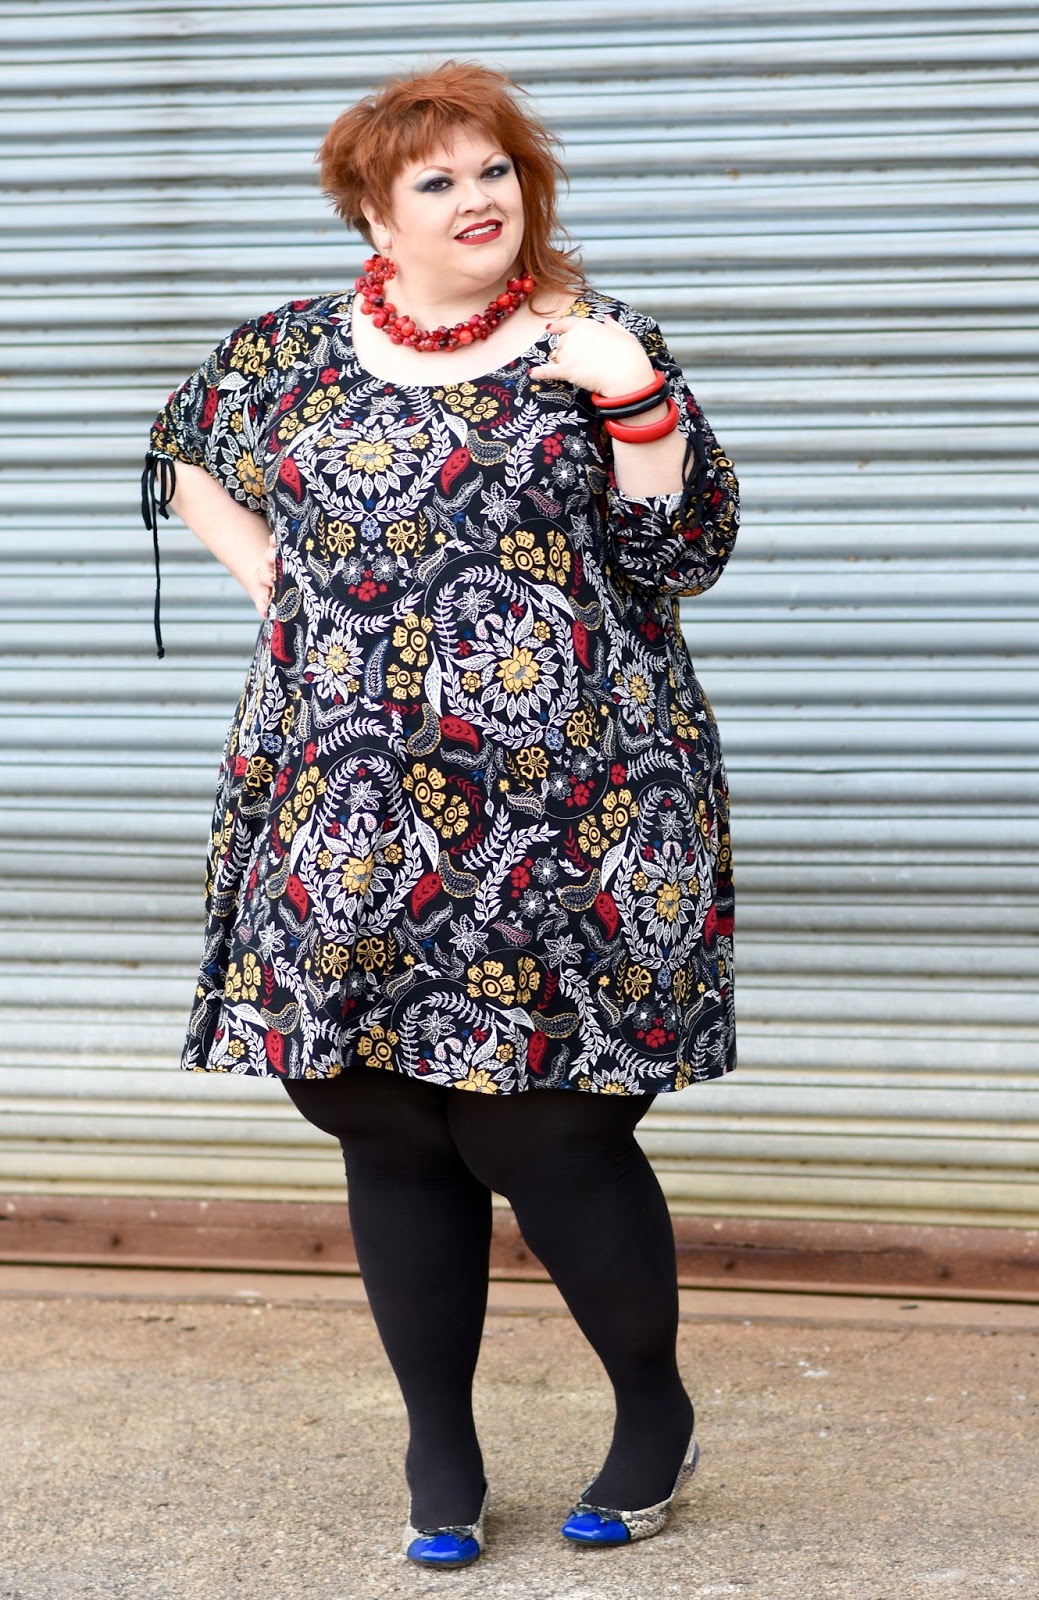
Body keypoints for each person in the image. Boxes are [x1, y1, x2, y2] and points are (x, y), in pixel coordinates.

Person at [142, 59, 738, 1570]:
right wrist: (272, 578)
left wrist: (632, 400)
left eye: (498, 171)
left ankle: (653, 1413)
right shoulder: (285, 351)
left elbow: (681, 557)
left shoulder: (596, 343)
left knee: (546, 1121)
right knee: (380, 1110)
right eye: (439, 180)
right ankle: (441, 1446)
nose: (481, 200)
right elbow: (182, 450)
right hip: (342, 797)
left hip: (575, 802)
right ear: (374, 213)